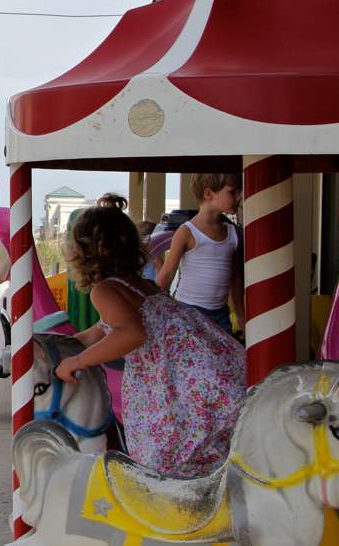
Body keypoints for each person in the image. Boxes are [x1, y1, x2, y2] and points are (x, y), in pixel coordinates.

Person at [55, 194, 245, 477]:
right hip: (207, 365)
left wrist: (79, 361)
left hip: (177, 378)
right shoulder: (137, 283)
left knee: (164, 453)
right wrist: (68, 344)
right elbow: (103, 328)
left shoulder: (105, 290)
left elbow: (131, 333)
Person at [155, 174, 244, 335]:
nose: (240, 196)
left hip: (220, 312)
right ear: (209, 194)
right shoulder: (187, 232)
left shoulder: (233, 233)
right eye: (233, 192)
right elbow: (167, 274)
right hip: (188, 310)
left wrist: (240, 314)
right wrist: (153, 308)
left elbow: (235, 277)